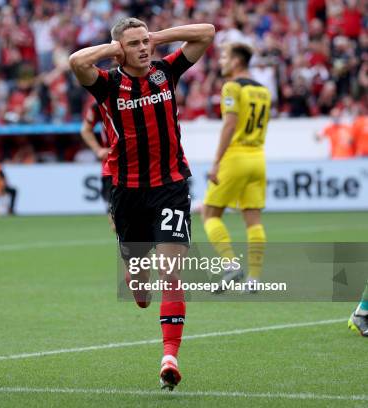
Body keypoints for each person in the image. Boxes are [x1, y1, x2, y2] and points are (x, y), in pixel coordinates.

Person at [69, 18, 214, 390]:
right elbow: (76, 62)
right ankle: (135, 277)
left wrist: (158, 37)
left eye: (145, 42)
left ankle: (169, 357)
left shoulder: (167, 71)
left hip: (171, 186)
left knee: (172, 272)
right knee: (137, 273)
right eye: (135, 44)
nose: (144, 48)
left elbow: (207, 32)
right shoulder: (108, 85)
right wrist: (113, 49)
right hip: (128, 190)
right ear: (120, 50)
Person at [202, 43, 271, 293]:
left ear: (237, 62)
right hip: (258, 158)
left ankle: (229, 264)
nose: (221, 62)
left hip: (236, 157)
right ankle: (254, 278)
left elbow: (230, 125)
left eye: (224, 57)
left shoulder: (231, 87)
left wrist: (216, 162)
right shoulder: (263, 90)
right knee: (253, 218)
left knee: (209, 214)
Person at [80, 101, 113, 215]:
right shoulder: (98, 105)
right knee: (115, 220)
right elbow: (85, 130)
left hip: (139, 165)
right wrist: (98, 150)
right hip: (112, 167)